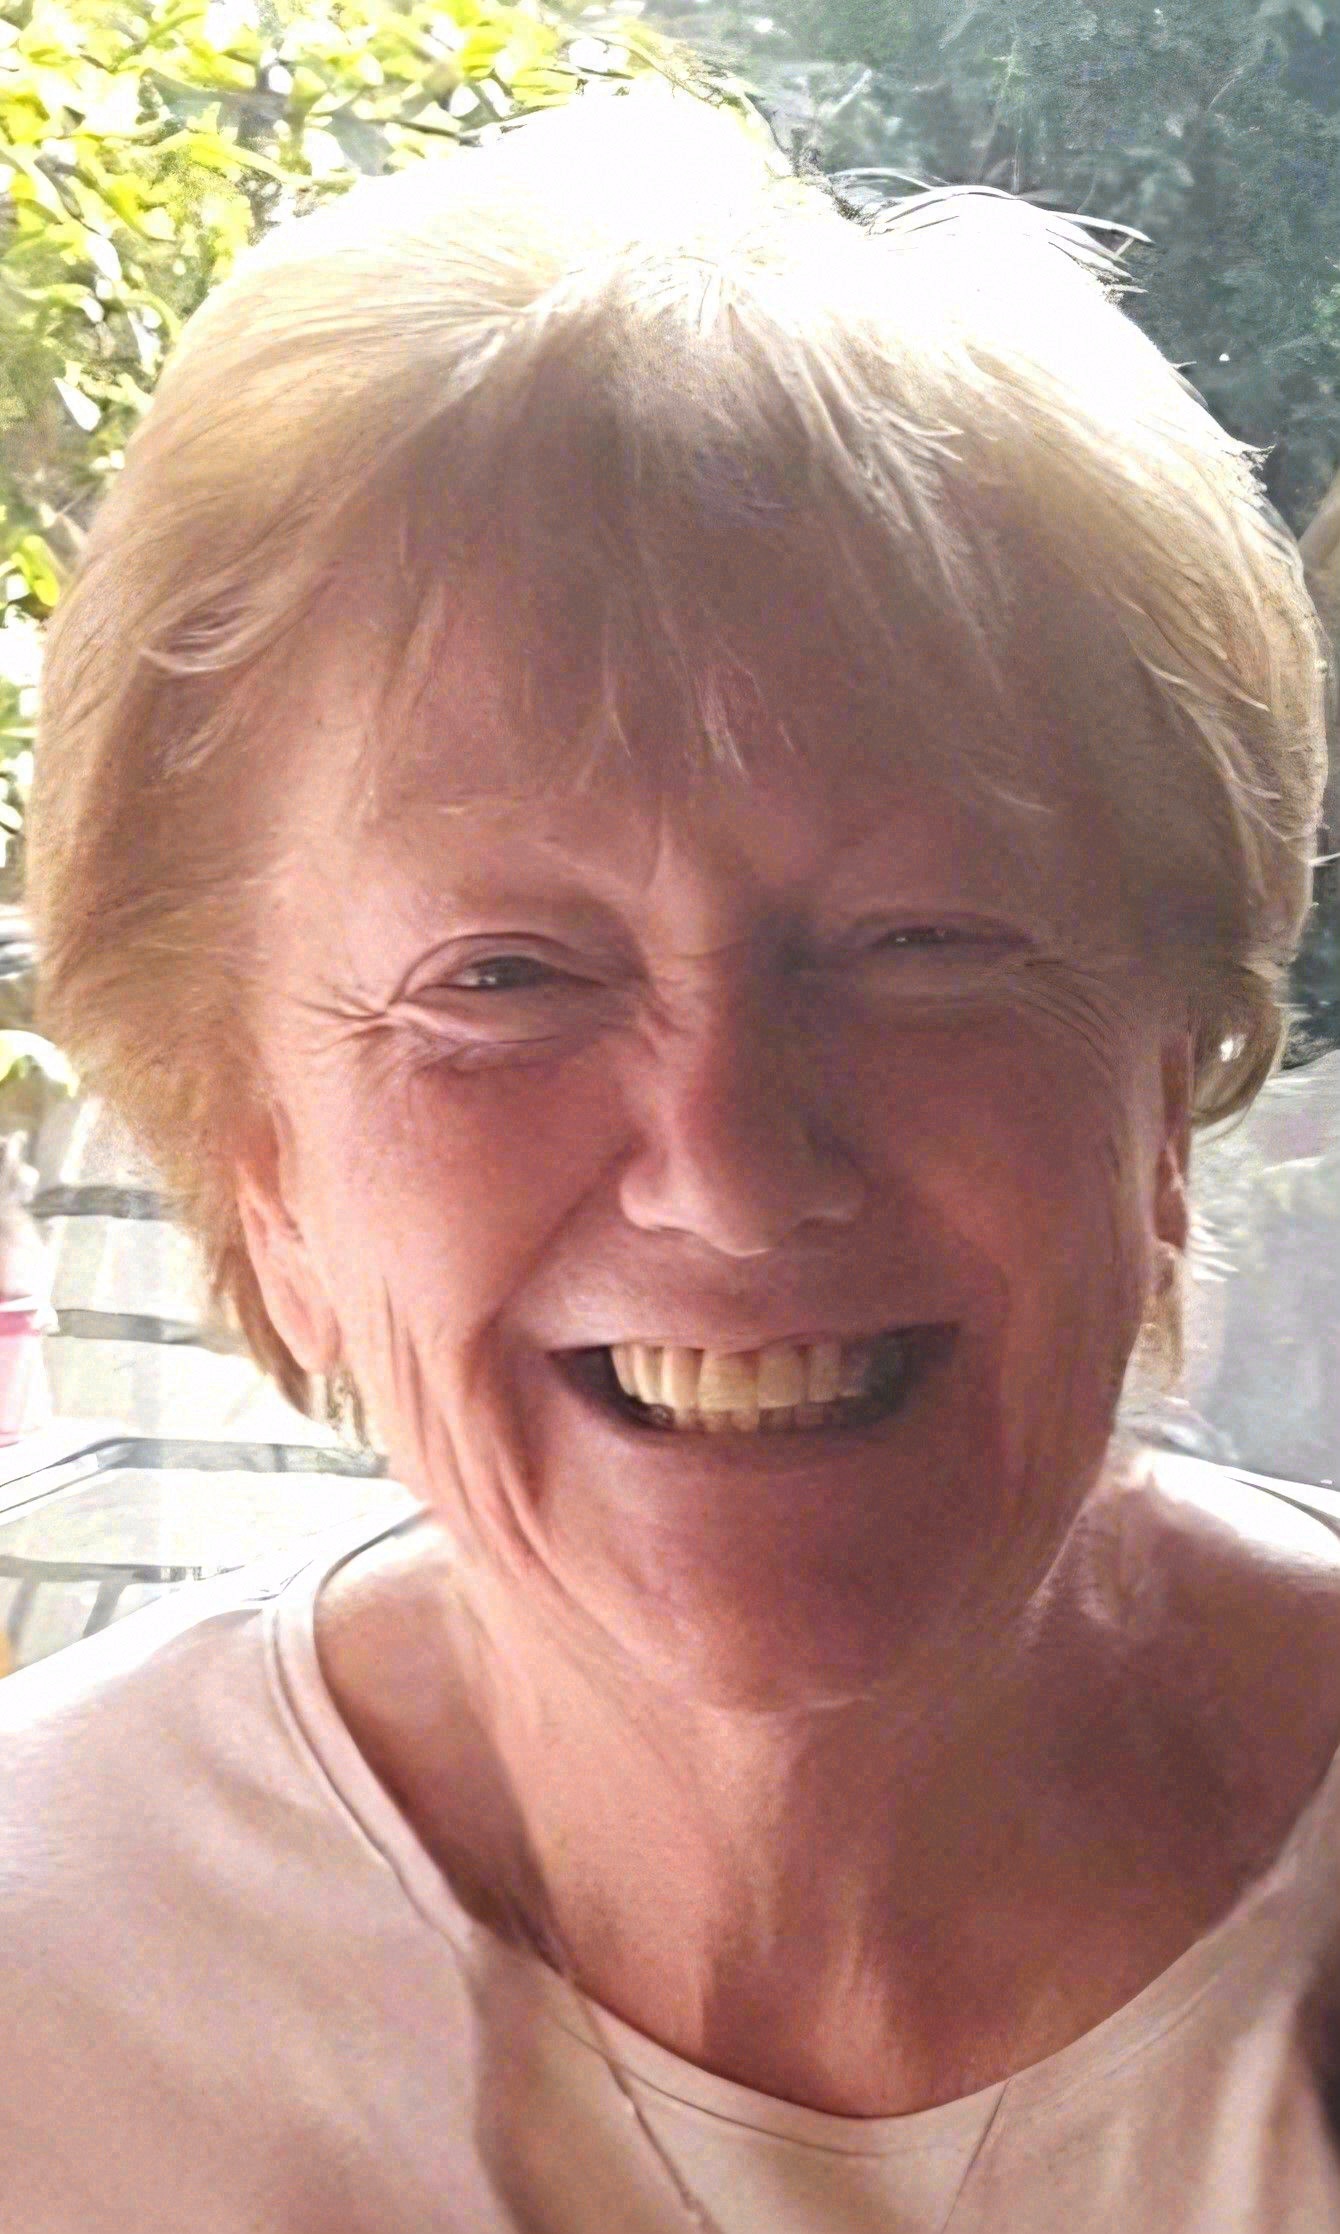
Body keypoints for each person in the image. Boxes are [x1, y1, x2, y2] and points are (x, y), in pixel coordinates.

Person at [5, 81, 1339, 2233]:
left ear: (1165, 1080)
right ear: (264, 1174)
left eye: (920, 945)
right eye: (503, 978)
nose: (727, 1169)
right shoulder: (47, 1987)